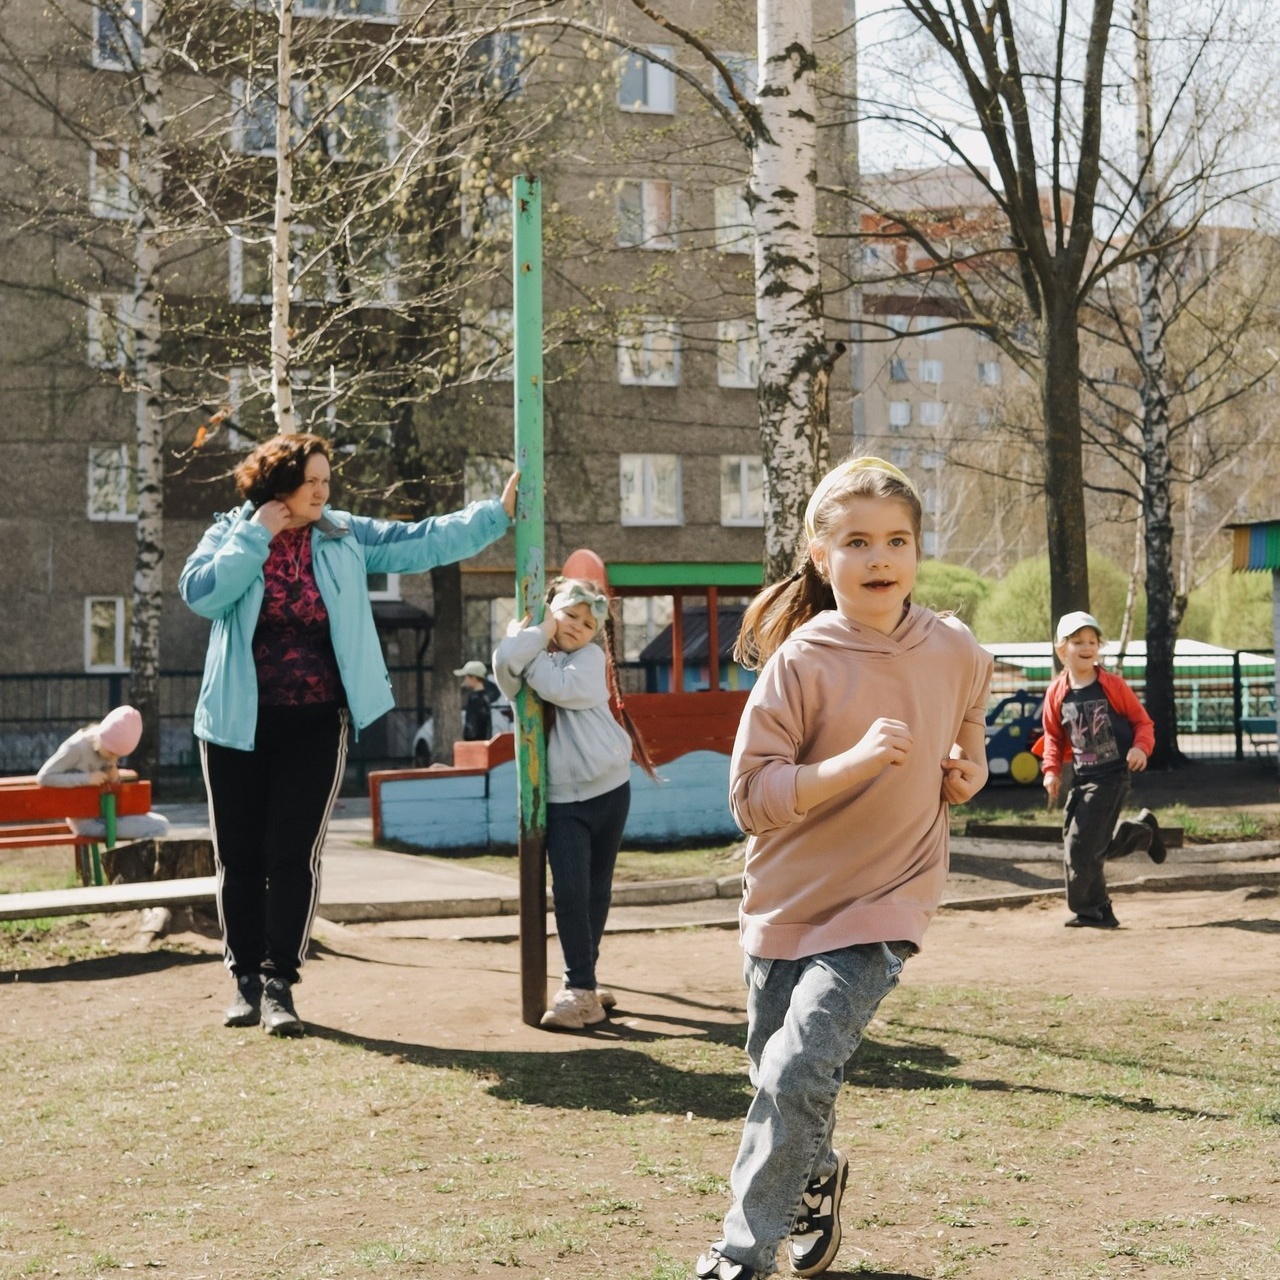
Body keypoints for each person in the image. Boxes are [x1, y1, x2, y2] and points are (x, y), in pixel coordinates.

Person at [695, 457, 993, 1280]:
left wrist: (971, 767)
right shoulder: (801, 660)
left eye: (897, 539)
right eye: (857, 541)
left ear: (918, 551)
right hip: (787, 900)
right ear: (821, 556)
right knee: (776, 1074)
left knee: (797, 1069)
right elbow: (751, 798)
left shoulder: (956, 647)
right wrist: (854, 764)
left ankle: (738, 1257)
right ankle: (813, 1176)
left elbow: (970, 714)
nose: (879, 558)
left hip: (890, 899)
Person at [179, 433, 517, 1036]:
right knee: (239, 855)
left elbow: (418, 542)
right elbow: (203, 595)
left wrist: (493, 515)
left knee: (292, 855)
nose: (322, 490)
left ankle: (280, 981)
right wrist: (257, 533)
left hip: (315, 721)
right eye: (311, 481)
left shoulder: (341, 534)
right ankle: (244, 982)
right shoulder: (229, 532)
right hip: (235, 723)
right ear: (277, 482)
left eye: (326, 480)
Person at [492, 576, 656, 1031]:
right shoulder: (537, 647)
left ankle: (582, 984)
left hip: (610, 787)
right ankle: (582, 986)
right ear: (550, 612)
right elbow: (504, 664)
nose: (579, 627)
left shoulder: (589, 658)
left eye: (589, 622)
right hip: (563, 799)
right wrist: (537, 634)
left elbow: (552, 686)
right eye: (569, 616)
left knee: (596, 890)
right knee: (569, 892)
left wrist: (527, 647)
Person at [1039, 610, 1166, 930]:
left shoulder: (1112, 685)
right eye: (1077, 641)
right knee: (1078, 842)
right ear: (1061, 649)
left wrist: (1141, 747)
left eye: (1092, 641)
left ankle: (1093, 910)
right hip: (1083, 777)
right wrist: (1051, 771)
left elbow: (1142, 722)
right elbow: (1052, 736)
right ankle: (1141, 833)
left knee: (1081, 845)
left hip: (1112, 775)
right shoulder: (1057, 692)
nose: (1086, 647)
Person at [36, 705, 171, 841]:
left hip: (108, 813)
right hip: (87, 822)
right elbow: (44, 777)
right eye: (111, 753)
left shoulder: (107, 749)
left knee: (162, 824)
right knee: (157, 828)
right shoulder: (76, 747)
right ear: (102, 738)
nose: (113, 759)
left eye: (119, 757)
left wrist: (114, 778)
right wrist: (87, 779)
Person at [454, 660, 493, 741]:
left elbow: (472, 730)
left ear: (474, 678)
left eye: (466, 677)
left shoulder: (476, 699)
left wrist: (468, 740)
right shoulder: (484, 697)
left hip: (475, 746)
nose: (464, 680)